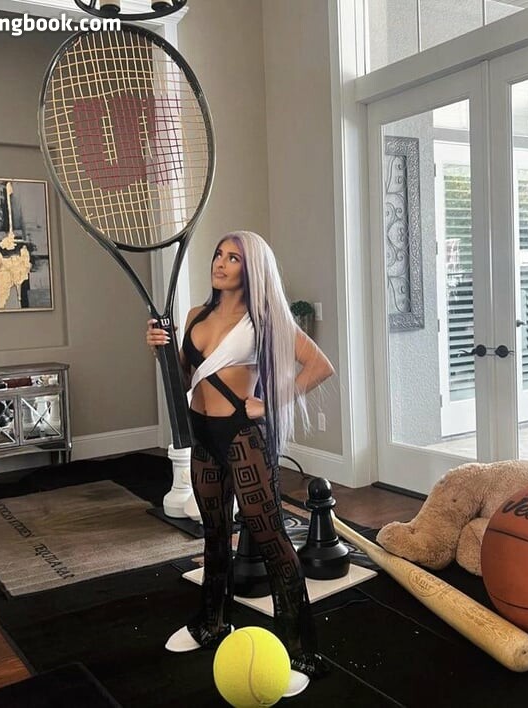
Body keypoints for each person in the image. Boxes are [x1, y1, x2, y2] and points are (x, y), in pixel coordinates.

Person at [146, 231, 335, 695]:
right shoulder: (196, 315)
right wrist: (161, 350)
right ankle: (211, 624)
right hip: (202, 433)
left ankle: (299, 652)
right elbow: (186, 380)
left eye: (234, 258)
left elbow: (320, 366)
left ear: (252, 269)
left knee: (271, 538)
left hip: (241, 436)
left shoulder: (266, 320)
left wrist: (269, 402)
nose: (221, 263)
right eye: (219, 255)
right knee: (214, 533)